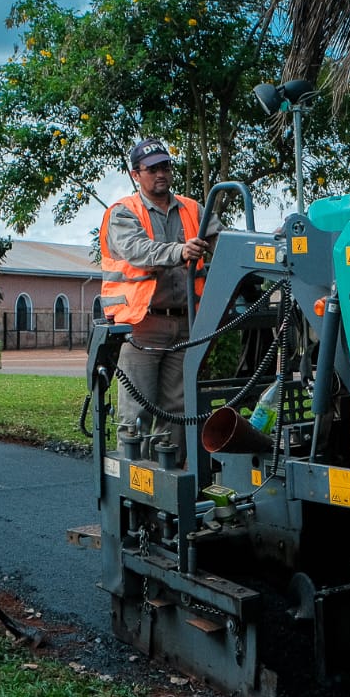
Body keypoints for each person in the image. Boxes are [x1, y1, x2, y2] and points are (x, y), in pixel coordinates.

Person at [98, 138, 220, 460]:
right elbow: (137, 251)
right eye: (151, 169)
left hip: (185, 323)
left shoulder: (193, 209)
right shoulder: (123, 213)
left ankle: (169, 480)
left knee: (176, 410)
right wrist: (180, 251)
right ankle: (133, 480)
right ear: (135, 174)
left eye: (165, 166)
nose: (160, 174)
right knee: (136, 410)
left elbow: (226, 243)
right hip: (142, 325)